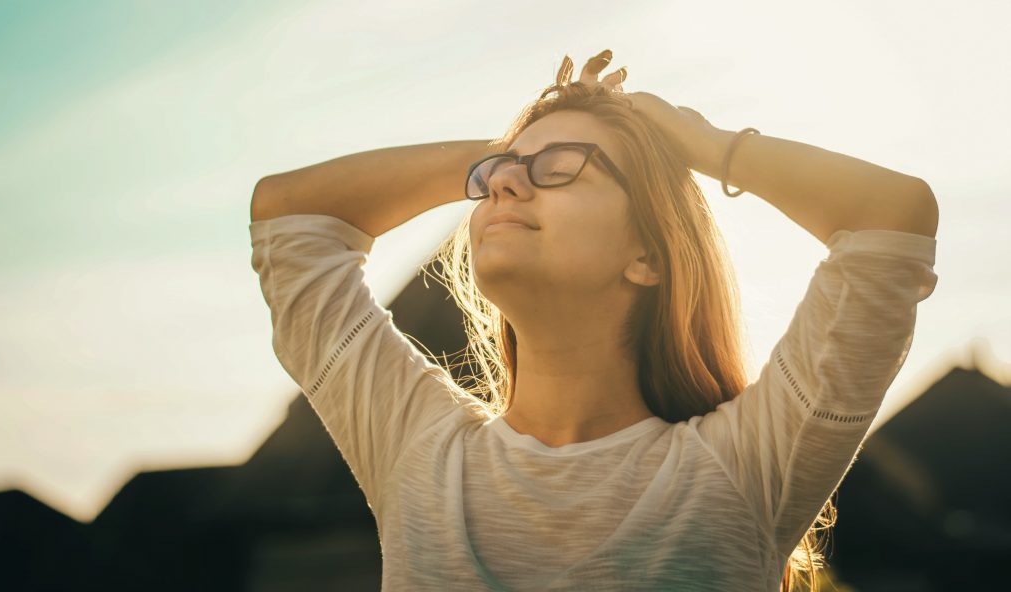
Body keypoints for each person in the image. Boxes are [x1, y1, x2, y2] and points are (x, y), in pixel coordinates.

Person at [249, 49, 939, 591]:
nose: (505, 184)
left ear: (648, 254)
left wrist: (700, 143)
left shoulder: (743, 467)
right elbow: (289, 216)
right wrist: (504, 151)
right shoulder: (418, 450)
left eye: (562, 168)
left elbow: (891, 219)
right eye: (496, 177)